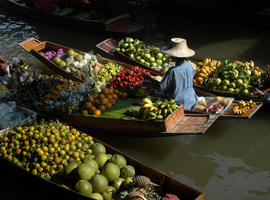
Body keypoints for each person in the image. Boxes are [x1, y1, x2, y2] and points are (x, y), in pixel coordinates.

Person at [156, 38, 198, 110]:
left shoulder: (172, 71)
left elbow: (161, 88)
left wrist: (151, 81)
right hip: (192, 100)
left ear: (173, 56)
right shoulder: (190, 66)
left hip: (179, 104)